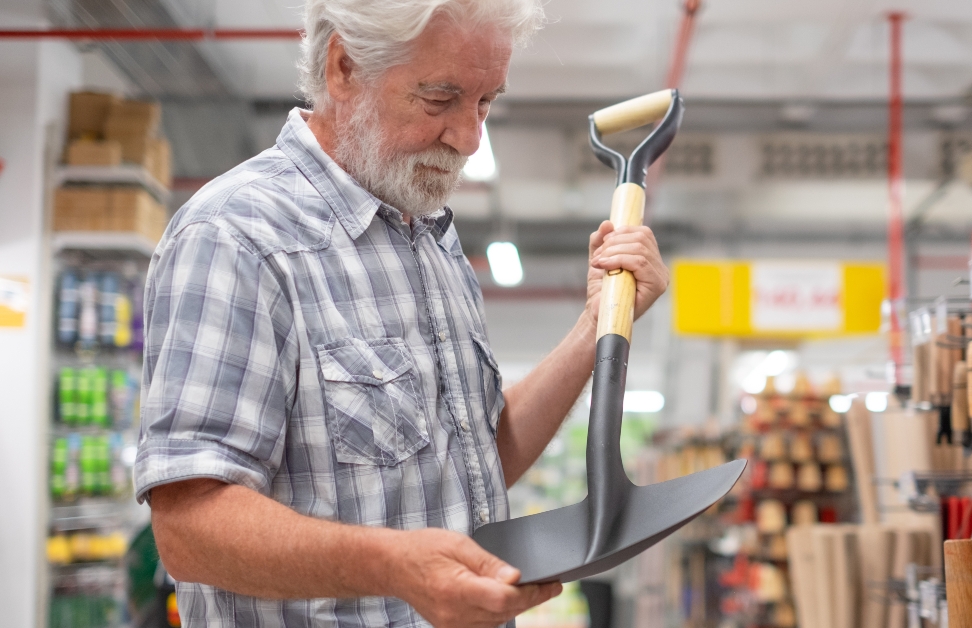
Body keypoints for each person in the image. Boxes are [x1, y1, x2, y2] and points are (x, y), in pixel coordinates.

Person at [133, 0, 670, 626]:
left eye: (485, 102)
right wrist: (393, 567)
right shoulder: (237, 237)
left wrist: (595, 324)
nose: (469, 138)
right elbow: (190, 525)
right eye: (439, 99)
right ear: (343, 68)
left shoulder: (429, 237)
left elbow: (474, 462)